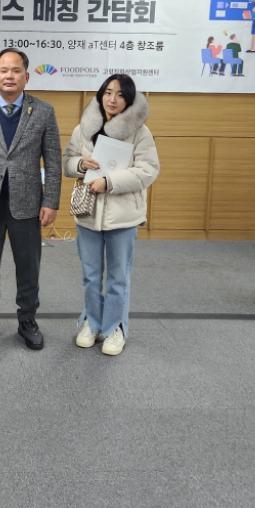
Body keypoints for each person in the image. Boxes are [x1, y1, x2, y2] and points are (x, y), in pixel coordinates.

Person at [0, 48, 61, 350]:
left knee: (28, 265)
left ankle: (27, 320)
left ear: (26, 76)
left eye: (16, 70)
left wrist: (51, 201)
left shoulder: (43, 111)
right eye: (3, 70)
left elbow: (53, 160)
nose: (9, 76)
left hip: (28, 203)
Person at [62, 74, 159, 356]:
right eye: (107, 92)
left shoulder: (140, 131)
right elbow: (67, 163)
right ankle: (92, 323)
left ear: (129, 99)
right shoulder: (84, 128)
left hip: (123, 217)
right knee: (91, 275)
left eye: (120, 94)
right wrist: (81, 164)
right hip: (88, 215)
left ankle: (115, 328)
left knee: (118, 277)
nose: (112, 99)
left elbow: (148, 171)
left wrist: (110, 182)